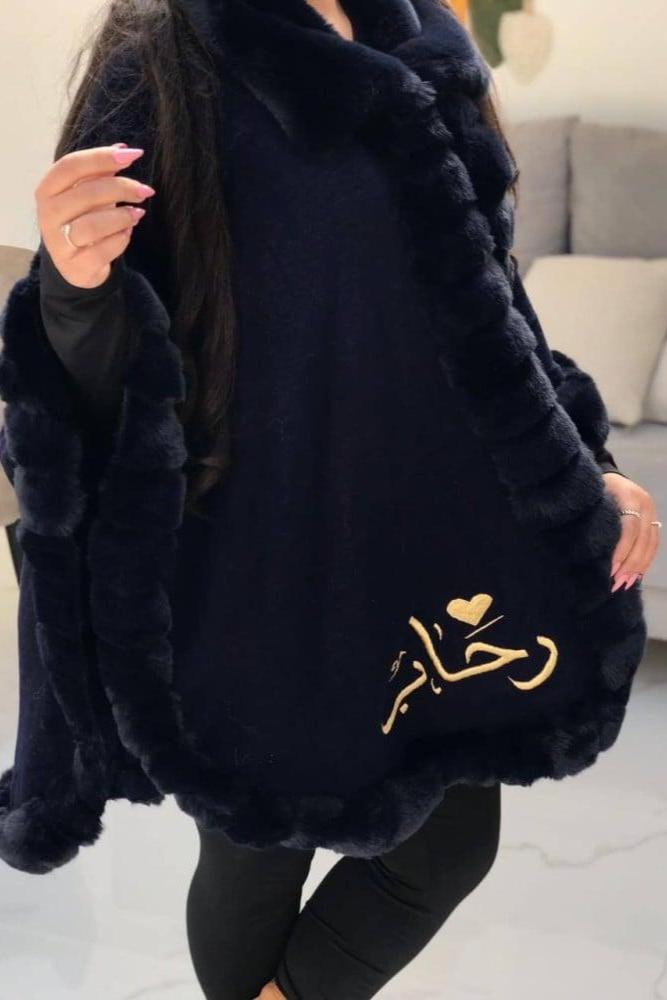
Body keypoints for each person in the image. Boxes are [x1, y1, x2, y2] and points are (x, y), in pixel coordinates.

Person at [1, 1, 659, 998]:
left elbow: (491, 305)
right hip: (255, 546)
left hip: (423, 531)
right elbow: (96, 367)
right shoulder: (163, 53)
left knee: (446, 846)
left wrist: (581, 461)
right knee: (260, 844)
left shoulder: (422, 32)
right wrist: (74, 287)